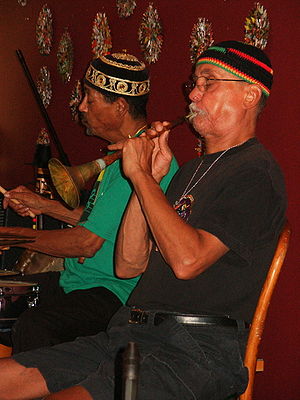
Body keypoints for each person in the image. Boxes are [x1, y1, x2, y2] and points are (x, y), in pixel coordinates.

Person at [0, 41, 286, 400]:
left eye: (208, 82)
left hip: (193, 351)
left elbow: (187, 261)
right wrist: (144, 180)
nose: (193, 95)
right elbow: (128, 263)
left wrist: (142, 179)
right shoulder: (192, 171)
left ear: (249, 94)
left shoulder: (255, 173)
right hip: (131, 335)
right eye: (193, 83)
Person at [0, 52, 178, 354]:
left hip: (114, 294)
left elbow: (87, 243)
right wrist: (44, 206)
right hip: (79, 282)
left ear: (119, 106)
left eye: (90, 99)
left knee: (34, 326)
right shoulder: (120, 155)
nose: (81, 106)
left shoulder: (142, 161)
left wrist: (12, 237)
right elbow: (99, 221)